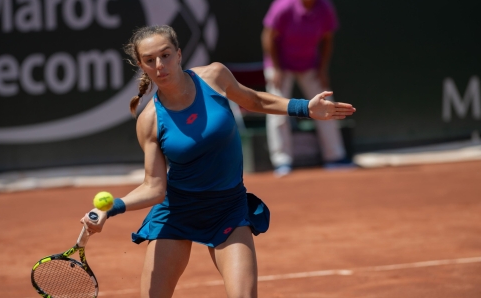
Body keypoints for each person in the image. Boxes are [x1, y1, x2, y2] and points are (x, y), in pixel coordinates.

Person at [81, 25, 355, 298]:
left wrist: (304, 107)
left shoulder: (214, 76)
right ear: (142, 66)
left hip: (228, 208)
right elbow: (154, 187)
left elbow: (255, 100)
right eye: (150, 60)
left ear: (178, 54)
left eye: (165, 55)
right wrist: (111, 209)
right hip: (178, 212)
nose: (160, 65)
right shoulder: (149, 121)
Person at [261, 0, 351, 177]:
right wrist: (277, 69)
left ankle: (335, 157)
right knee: (276, 110)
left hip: (310, 64)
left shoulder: (324, 8)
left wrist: (322, 69)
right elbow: (268, 36)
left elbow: (327, 40)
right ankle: (282, 161)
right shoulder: (284, 6)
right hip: (281, 65)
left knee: (327, 106)